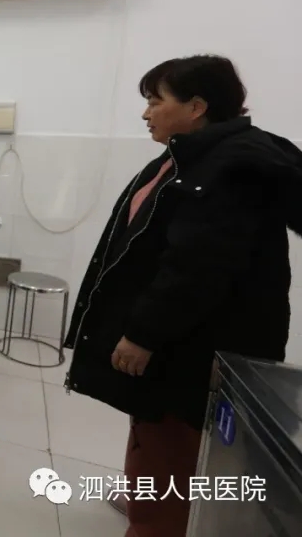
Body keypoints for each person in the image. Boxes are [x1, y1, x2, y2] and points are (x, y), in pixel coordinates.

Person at [63, 55, 302, 537]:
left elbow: (197, 267)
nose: (146, 113)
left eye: (156, 101)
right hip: (176, 342)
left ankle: (154, 520)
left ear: (196, 106)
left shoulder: (230, 168)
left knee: (171, 445)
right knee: (153, 437)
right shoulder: (189, 155)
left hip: (190, 350)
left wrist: (143, 334)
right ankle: (144, 499)